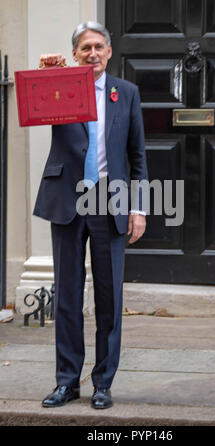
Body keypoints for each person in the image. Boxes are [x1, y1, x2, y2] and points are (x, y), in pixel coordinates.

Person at [34, 21, 148, 409]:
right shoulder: (61, 88)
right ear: (76, 54)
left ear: (109, 51)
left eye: (99, 46)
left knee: (109, 297)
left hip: (111, 201)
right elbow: (37, 104)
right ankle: (67, 382)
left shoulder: (126, 93)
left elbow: (137, 156)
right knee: (67, 296)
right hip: (67, 199)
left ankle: (103, 383)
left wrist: (138, 207)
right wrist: (51, 73)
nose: (93, 53)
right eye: (85, 48)